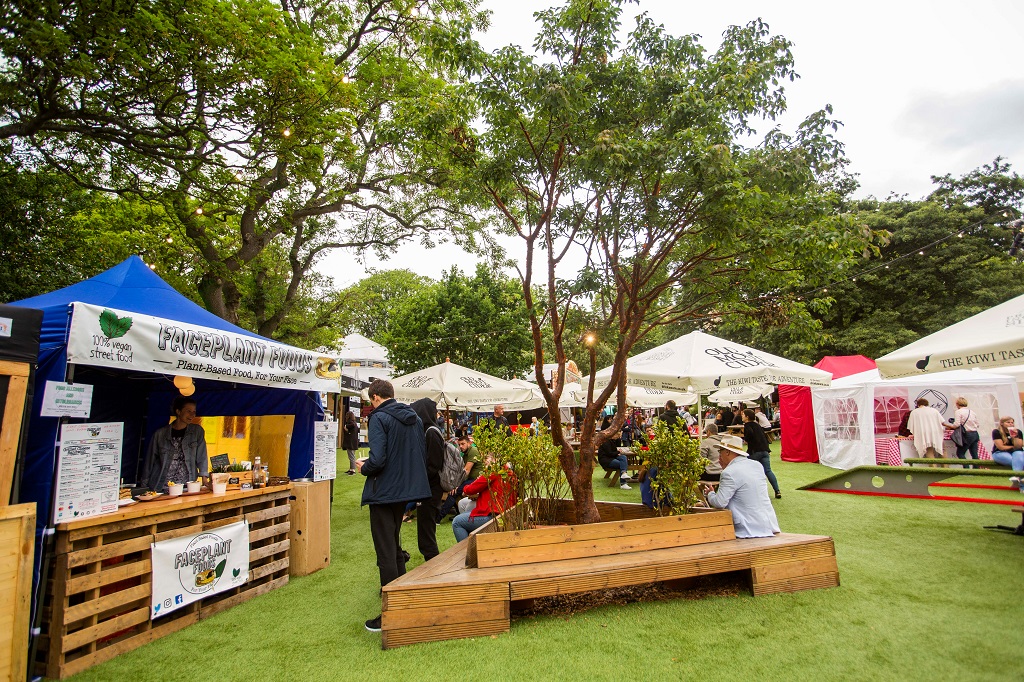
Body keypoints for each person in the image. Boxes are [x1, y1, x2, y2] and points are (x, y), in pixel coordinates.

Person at [356, 379, 430, 633]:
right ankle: (402, 597)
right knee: (393, 544)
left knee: (386, 551)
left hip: (385, 491)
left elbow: (377, 460)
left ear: (375, 397)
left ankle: (392, 612)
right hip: (404, 491)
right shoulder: (415, 418)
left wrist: (364, 467)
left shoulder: (379, 417)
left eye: (370, 400)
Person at [703, 435, 780, 539]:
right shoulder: (756, 465)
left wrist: (710, 494)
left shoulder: (729, 472)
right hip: (769, 525)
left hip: (747, 530)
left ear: (727, 452)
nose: (719, 454)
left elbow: (719, 503)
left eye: (720, 450)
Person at [142, 396, 209, 492]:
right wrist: (144, 485)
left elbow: (202, 456)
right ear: (178, 411)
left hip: (187, 485)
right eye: (188, 411)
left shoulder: (197, 431)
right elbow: (150, 460)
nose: (192, 415)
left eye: (194, 412)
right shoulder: (160, 434)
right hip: (161, 485)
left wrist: (204, 478)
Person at [410, 397, 445, 562]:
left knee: (426, 527)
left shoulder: (430, 432)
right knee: (425, 527)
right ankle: (431, 560)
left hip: (430, 488)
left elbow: (434, 464)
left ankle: (432, 563)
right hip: (428, 487)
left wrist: (419, 477)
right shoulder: (429, 430)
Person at [452, 465, 516, 542]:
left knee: (457, 522)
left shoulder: (492, 471)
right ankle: (474, 543)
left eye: (486, 458)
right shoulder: (510, 473)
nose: (485, 462)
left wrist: (465, 490)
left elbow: (471, 489)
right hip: (505, 513)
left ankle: (468, 551)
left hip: (494, 515)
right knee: (465, 505)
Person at [438, 434, 482, 518]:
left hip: (476, 480)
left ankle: (439, 517)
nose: (460, 446)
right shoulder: (465, 453)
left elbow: (466, 471)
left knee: (453, 492)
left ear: (469, 443)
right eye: (459, 444)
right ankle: (458, 513)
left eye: (463, 444)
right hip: (470, 479)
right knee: (454, 491)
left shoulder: (473, 451)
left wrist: (456, 485)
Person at [741, 408, 781, 498]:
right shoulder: (757, 425)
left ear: (747, 417)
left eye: (743, 414)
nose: (742, 416)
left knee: (747, 470)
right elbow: (764, 437)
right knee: (768, 471)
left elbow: (749, 436)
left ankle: (750, 491)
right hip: (764, 451)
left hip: (755, 452)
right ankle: (777, 490)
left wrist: (746, 438)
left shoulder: (747, 425)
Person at [942, 396, 980, 466]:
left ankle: (966, 470)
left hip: (966, 435)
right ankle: (977, 470)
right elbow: (977, 425)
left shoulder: (958, 412)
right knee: (974, 454)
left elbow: (956, 425)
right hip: (975, 434)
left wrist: (946, 425)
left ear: (957, 404)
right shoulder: (972, 412)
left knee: (960, 453)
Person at [597, 416, 632, 489]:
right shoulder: (606, 441)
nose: (618, 437)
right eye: (618, 435)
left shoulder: (614, 440)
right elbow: (609, 453)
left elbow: (615, 450)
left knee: (623, 457)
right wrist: (617, 452)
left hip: (611, 457)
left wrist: (618, 452)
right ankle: (623, 483)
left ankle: (624, 474)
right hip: (606, 460)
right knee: (622, 464)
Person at [342, 410, 360, 475]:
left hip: (350, 443)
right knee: (352, 456)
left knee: (351, 456)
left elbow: (348, 428)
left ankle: (353, 470)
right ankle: (351, 469)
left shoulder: (350, 423)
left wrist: (346, 427)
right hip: (354, 442)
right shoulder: (355, 423)